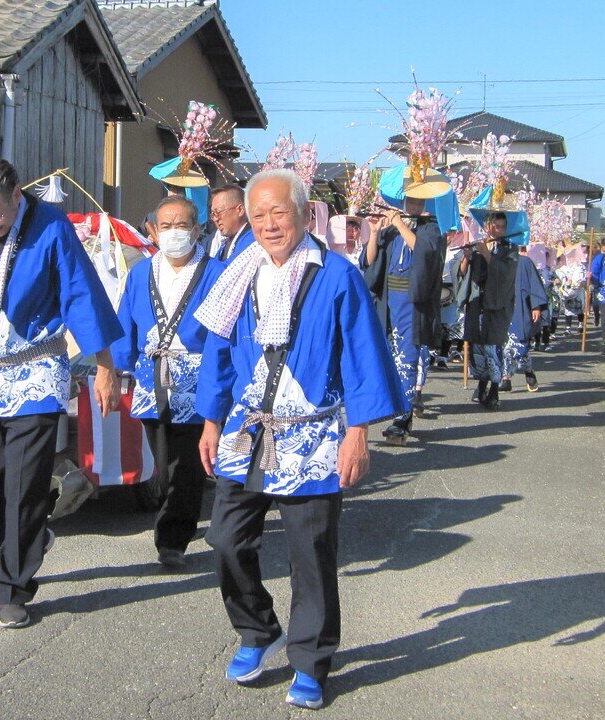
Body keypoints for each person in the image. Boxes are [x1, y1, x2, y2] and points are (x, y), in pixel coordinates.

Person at [194, 169, 405, 709]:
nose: (268, 225)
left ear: (305, 215)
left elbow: (361, 354)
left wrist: (358, 433)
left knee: (311, 555)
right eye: (258, 215)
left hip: (313, 436)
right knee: (225, 539)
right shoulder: (237, 273)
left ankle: (310, 662)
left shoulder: (337, 276)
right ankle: (258, 629)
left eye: (279, 213)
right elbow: (218, 352)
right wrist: (211, 421)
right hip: (246, 431)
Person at [0, 157, 122, 629]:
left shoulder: (51, 228)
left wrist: (105, 366)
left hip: (35, 370)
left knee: (24, 484)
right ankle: (30, 537)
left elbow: (82, 294)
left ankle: (13, 586)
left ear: (17, 194)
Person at [113, 195, 225, 567]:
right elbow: (125, 322)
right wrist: (116, 367)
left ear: (197, 229)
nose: (174, 232)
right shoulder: (141, 273)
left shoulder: (216, 272)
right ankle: (174, 515)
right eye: (166, 226)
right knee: (162, 462)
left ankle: (172, 540)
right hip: (151, 378)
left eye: (181, 225)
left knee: (186, 464)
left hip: (198, 379)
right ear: (153, 231)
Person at [362, 198, 444, 444]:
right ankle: (394, 410)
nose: (414, 205)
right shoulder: (390, 230)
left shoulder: (432, 228)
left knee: (406, 360)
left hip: (411, 303)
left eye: (419, 201)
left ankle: (402, 419)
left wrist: (399, 224)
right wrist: (375, 233)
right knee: (387, 360)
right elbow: (369, 262)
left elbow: (424, 253)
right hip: (388, 303)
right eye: (410, 201)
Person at [458, 211, 518, 409]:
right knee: (478, 348)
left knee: (493, 347)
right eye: (495, 226)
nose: (499, 230)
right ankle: (482, 384)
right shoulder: (479, 245)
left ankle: (494, 390)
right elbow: (463, 274)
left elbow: (506, 274)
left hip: (498, 306)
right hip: (478, 304)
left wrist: (487, 254)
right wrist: (467, 257)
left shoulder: (510, 249)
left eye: (502, 227)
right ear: (487, 226)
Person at [501, 245, 548, 393]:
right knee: (504, 344)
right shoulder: (496, 262)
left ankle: (522, 372)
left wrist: (536, 306)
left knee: (519, 342)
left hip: (520, 309)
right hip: (501, 309)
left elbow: (534, 284)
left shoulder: (525, 262)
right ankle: (507, 378)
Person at [208, 184, 255, 261]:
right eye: (213, 214)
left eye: (218, 212)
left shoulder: (252, 240)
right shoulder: (226, 243)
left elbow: (228, 267)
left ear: (240, 210)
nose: (215, 219)